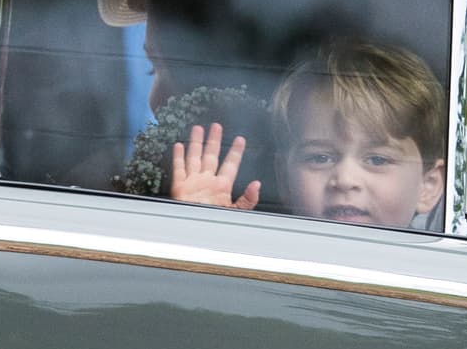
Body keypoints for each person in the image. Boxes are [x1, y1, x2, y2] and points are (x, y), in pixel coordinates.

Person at [172, 39, 446, 230]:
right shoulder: (266, 262)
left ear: (429, 186)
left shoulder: (444, 280)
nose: (345, 180)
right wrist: (207, 229)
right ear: (284, 179)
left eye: (377, 160)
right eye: (320, 157)